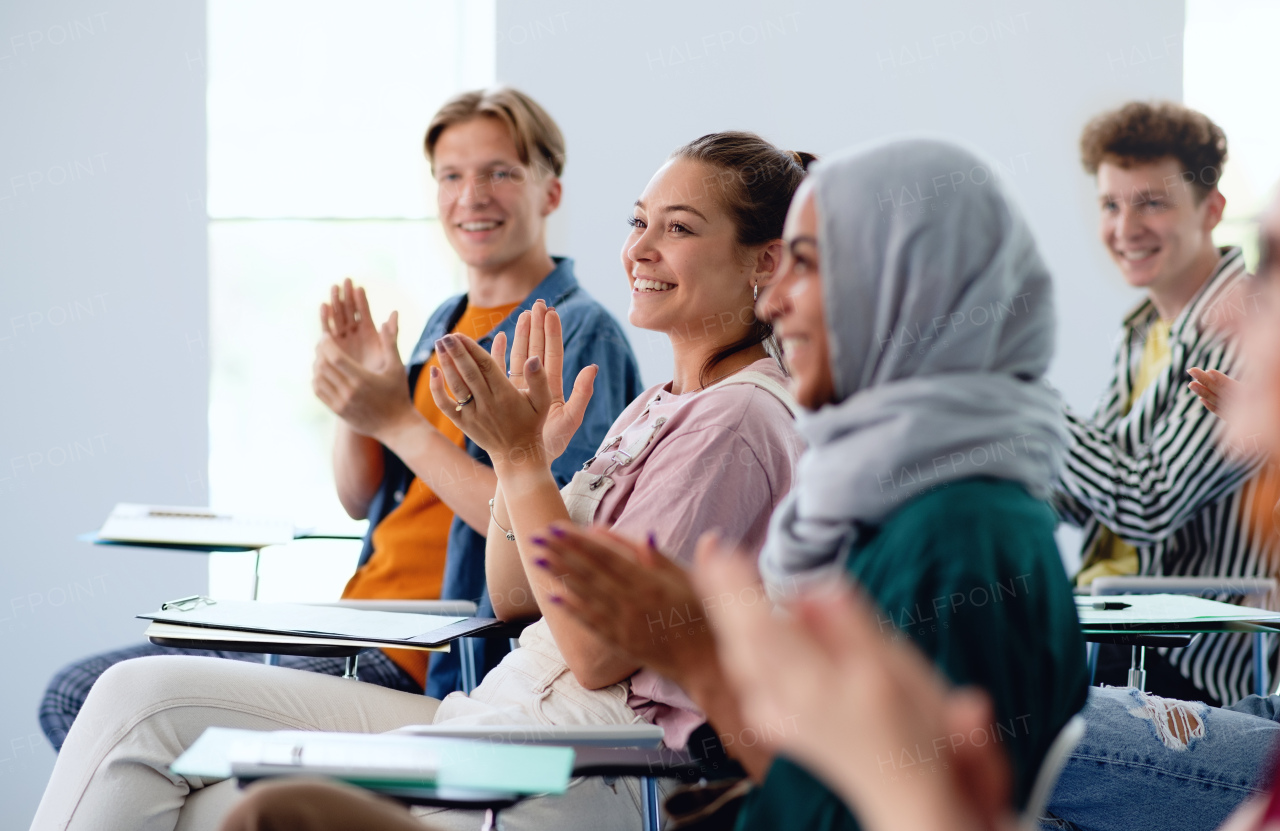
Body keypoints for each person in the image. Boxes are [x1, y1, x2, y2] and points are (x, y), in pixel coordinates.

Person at [28, 131, 810, 831]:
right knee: (136, 697)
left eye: (678, 228)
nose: (640, 248)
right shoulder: (664, 404)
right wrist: (514, 461)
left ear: (764, 261)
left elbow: (601, 655)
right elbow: (514, 597)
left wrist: (524, 458)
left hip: (568, 752)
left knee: (210, 800)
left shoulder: (736, 424)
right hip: (498, 709)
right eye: (638, 221)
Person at [36, 86, 643, 750]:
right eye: (452, 175)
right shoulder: (443, 321)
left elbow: (551, 536)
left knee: (84, 701)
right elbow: (361, 499)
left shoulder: (580, 333)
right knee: (89, 699)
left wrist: (394, 420)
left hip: (432, 651)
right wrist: (357, 405)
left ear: (549, 191)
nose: (472, 195)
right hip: (358, 617)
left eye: (500, 171)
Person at [1053, 100, 1278, 706]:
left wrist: (1029, 406)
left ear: (1212, 210)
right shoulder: (1142, 332)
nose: (1125, 229)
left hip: (1177, 656)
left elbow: (1145, 500)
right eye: (1110, 204)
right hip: (1102, 623)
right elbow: (1083, 499)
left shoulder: (1247, 329)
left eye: (1151, 202)